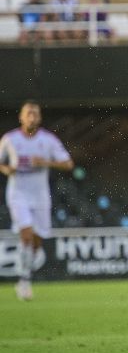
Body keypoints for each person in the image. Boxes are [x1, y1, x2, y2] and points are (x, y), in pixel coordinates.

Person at [0, 101, 74, 300]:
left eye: (35, 114)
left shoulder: (48, 140)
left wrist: (46, 162)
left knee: (37, 241)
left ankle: (26, 269)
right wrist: (7, 169)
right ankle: (24, 282)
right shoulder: (10, 139)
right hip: (18, 194)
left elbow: (68, 164)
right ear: (21, 117)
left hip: (40, 195)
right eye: (28, 113)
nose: (31, 117)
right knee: (26, 234)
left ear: (40, 118)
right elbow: (1, 162)